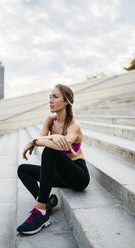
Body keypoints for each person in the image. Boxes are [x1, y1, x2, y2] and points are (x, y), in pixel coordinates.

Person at [17, 84, 90, 235]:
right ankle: (46, 203)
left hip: (78, 175)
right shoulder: (50, 120)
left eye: (55, 97)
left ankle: (41, 211)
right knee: (23, 169)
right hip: (60, 174)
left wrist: (34, 142)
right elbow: (41, 138)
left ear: (66, 101)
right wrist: (52, 136)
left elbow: (58, 146)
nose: (50, 101)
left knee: (50, 151)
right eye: (49, 97)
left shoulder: (74, 125)